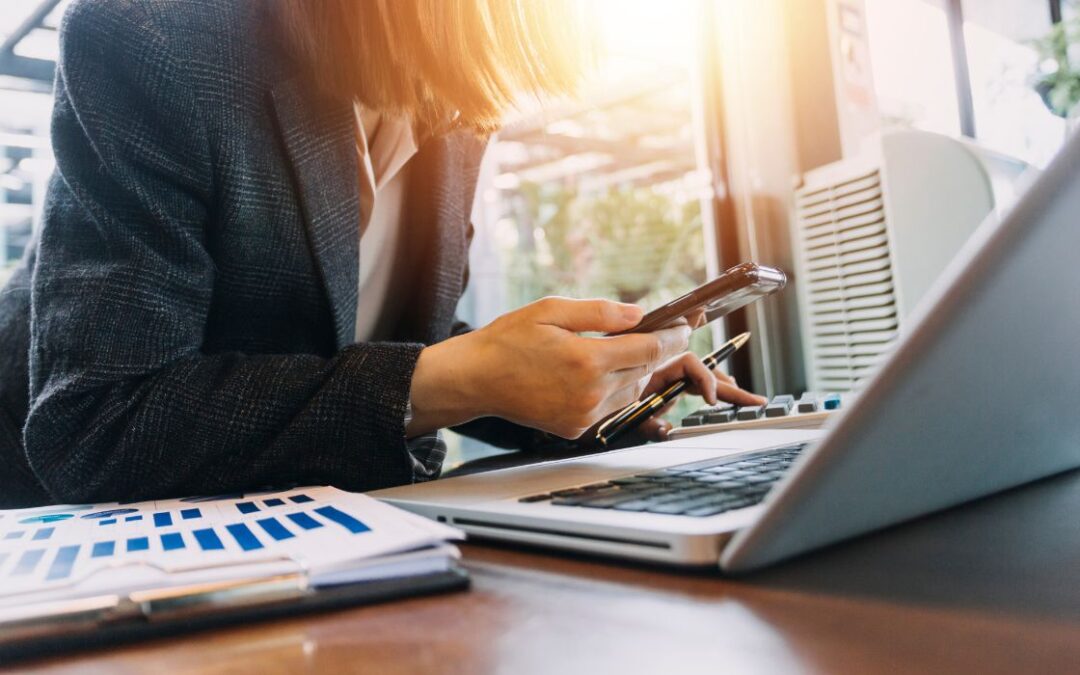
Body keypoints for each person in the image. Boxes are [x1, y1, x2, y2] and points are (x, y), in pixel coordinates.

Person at [0, 0, 764, 508]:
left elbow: (392, 341)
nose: (496, 98)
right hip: (88, 554)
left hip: (322, 536)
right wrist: (445, 380)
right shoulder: (149, 36)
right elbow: (96, 421)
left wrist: (578, 377)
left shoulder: (463, 87)